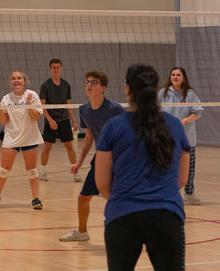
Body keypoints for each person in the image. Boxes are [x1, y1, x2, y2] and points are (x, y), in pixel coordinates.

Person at [95, 64, 190, 271]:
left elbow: (102, 183)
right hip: (166, 216)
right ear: (157, 89)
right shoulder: (174, 125)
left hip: (122, 216)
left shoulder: (113, 126)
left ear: (127, 88)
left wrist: (126, 200)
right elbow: (181, 180)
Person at [59, 71, 125, 242]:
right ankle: (82, 232)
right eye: (87, 82)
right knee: (83, 198)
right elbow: (89, 137)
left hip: (119, 158)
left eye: (94, 82)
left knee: (123, 198)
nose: (89, 85)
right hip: (101, 158)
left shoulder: (115, 109)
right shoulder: (84, 110)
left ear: (103, 88)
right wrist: (79, 162)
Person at [0, 71, 44, 210]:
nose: (16, 80)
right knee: (3, 170)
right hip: (11, 138)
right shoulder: (6, 99)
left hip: (29, 137)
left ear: (24, 81)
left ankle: (36, 199)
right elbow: (3, 121)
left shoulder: (32, 95)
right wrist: (0, 109)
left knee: (32, 171)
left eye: (19, 78)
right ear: (11, 82)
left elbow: (35, 118)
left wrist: (29, 105)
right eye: (13, 78)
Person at [158, 66, 203, 205]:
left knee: (189, 168)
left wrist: (185, 120)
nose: (175, 77)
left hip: (187, 139)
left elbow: (197, 113)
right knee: (166, 167)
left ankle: (189, 194)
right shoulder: (162, 93)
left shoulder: (190, 94)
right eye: (173, 74)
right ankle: (165, 192)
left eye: (178, 75)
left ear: (183, 78)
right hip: (167, 138)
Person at [39, 59, 81, 182]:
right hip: (50, 120)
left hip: (64, 120)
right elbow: (42, 106)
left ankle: (75, 173)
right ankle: (42, 171)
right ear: (50, 69)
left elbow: (68, 105)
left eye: (58, 67)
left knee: (69, 146)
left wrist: (73, 121)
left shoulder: (66, 85)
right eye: (54, 67)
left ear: (61, 68)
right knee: (47, 147)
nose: (56, 70)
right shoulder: (45, 85)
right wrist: (50, 120)